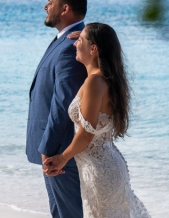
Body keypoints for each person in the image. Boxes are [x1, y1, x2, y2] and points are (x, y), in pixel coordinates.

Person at [43, 23, 151, 218]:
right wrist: (85, 35)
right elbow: (102, 38)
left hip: (99, 171)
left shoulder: (94, 82)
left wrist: (62, 158)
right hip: (105, 165)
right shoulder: (105, 80)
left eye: (80, 41)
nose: (75, 44)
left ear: (93, 49)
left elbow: (86, 134)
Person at [26, 0, 87, 218]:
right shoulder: (65, 39)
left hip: (58, 150)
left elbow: (63, 104)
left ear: (65, 9)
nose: (45, 6)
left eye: (50, 2)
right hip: (53, 148)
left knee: (68, 213)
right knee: (59, 211)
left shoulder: (71, 45)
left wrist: (50, 149)